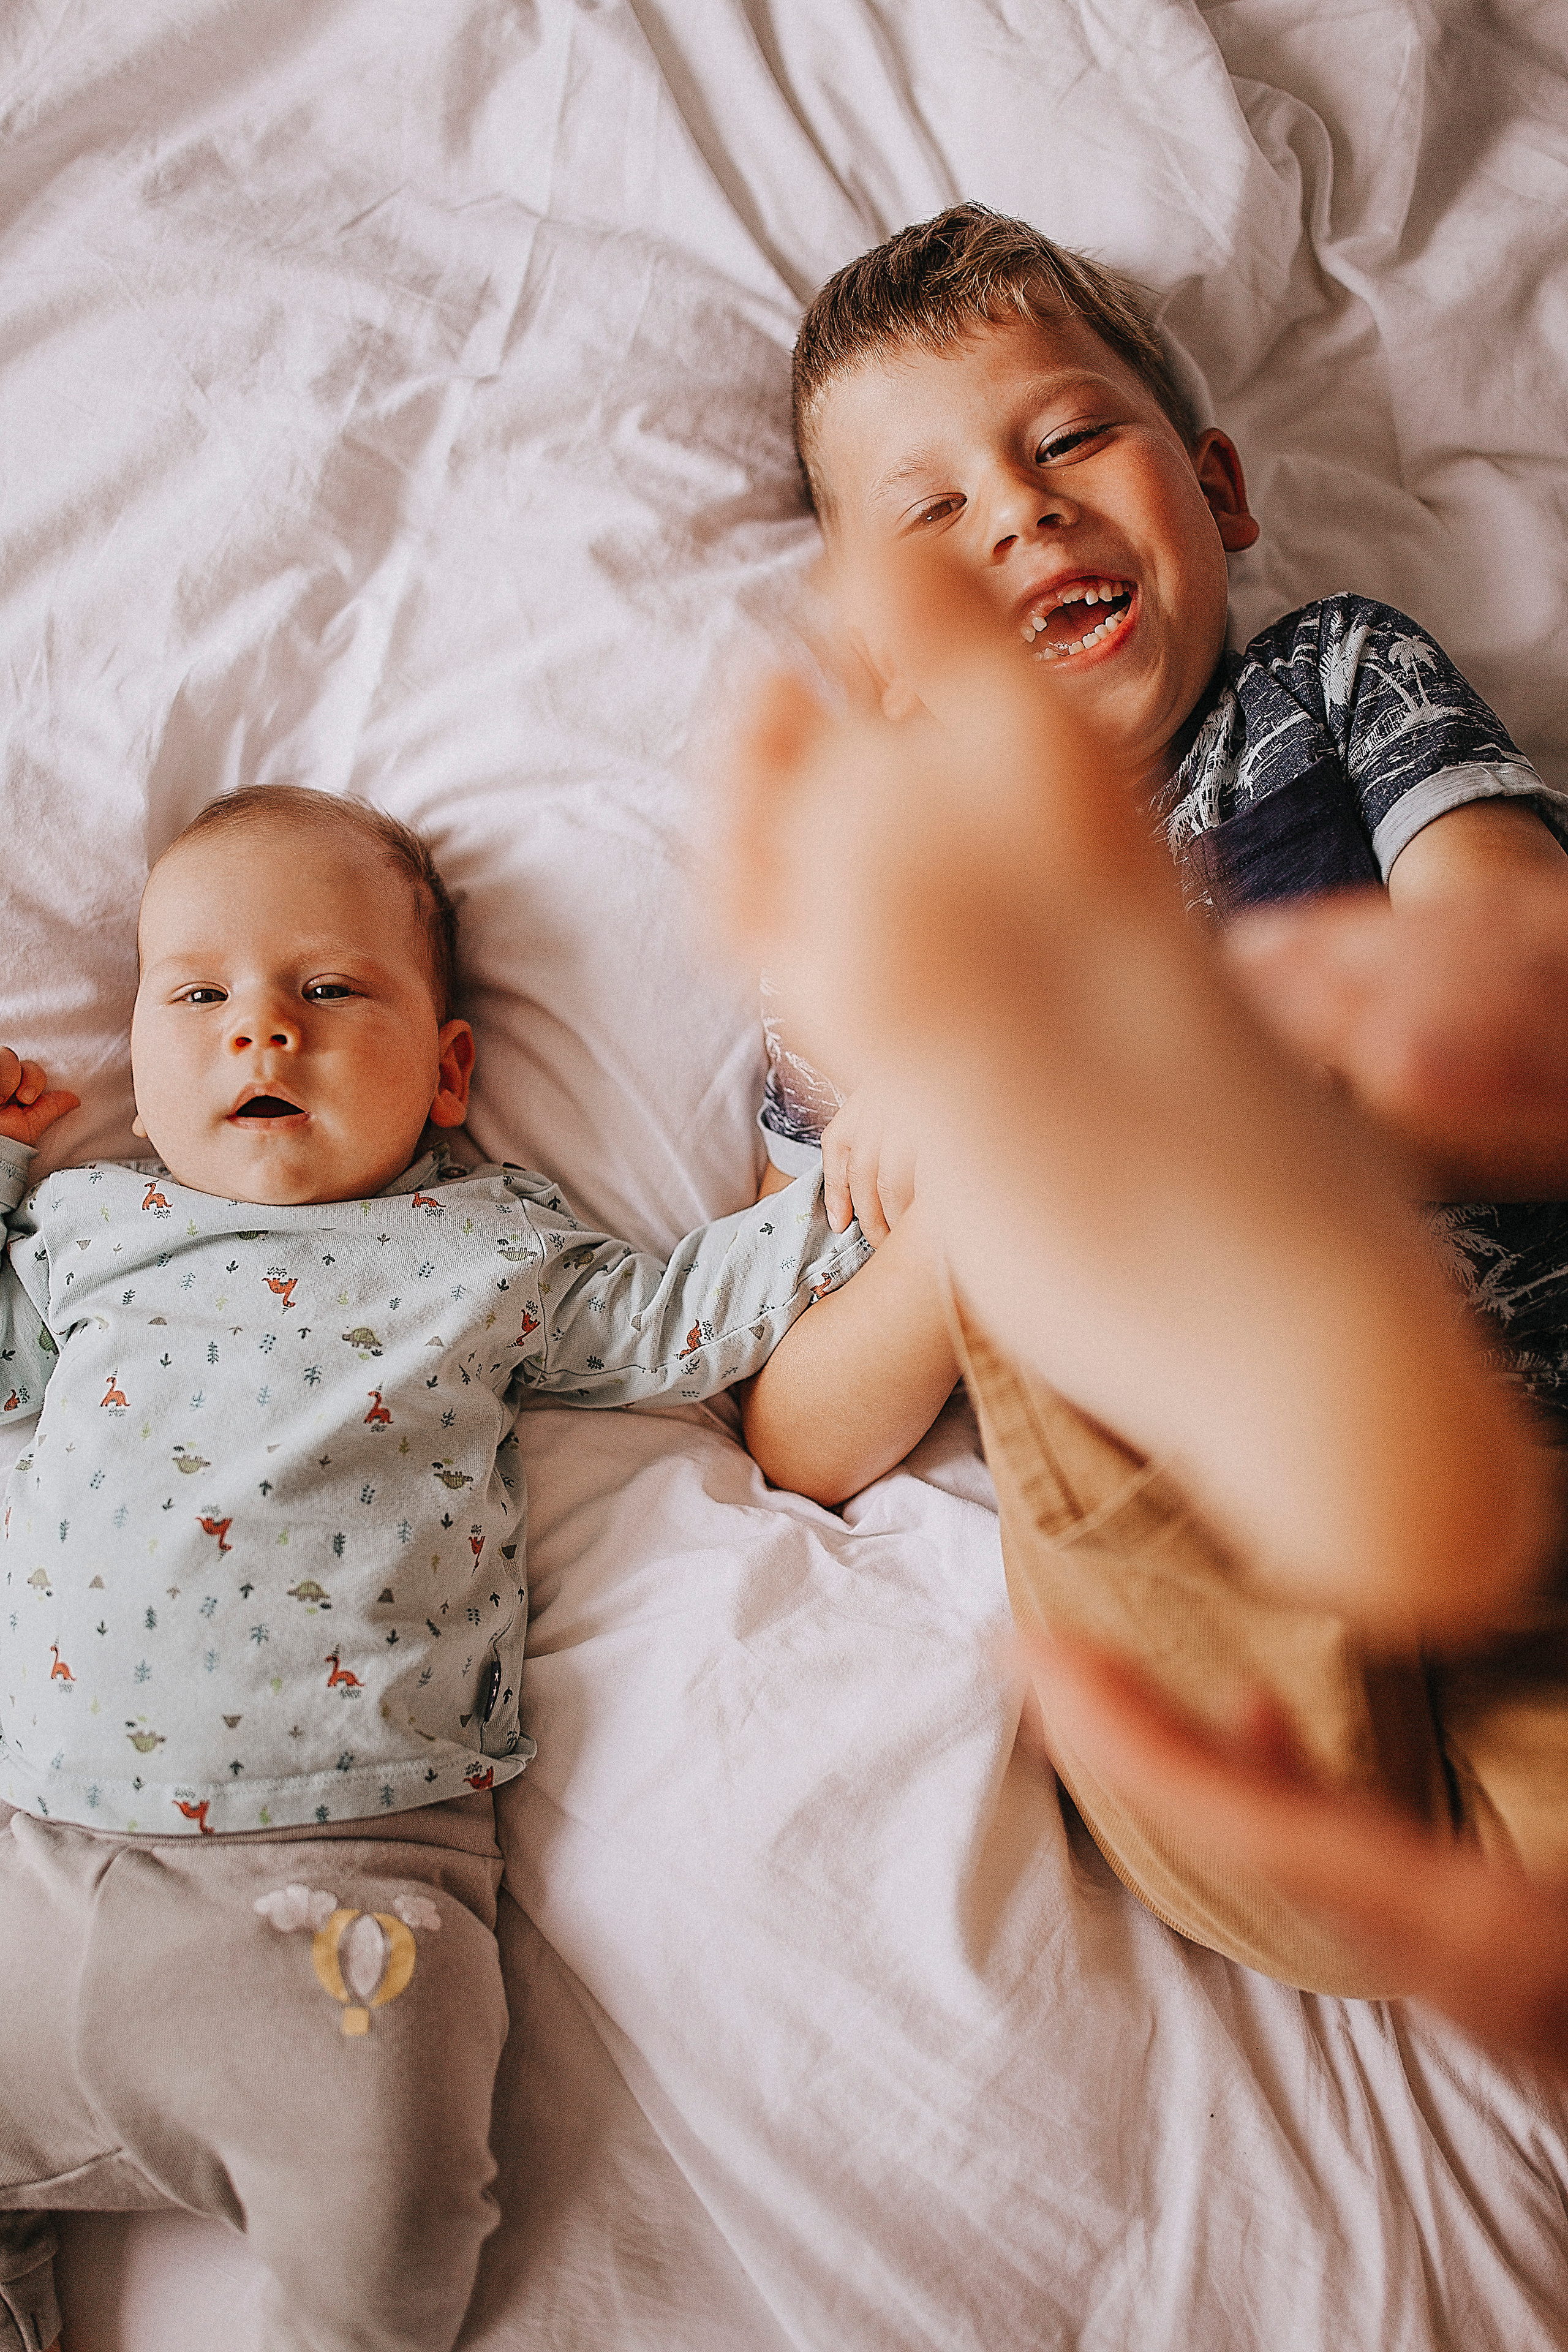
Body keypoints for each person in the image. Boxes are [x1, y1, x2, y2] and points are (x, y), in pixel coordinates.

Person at [731, 201, 1568, 1999]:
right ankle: (1090, 1199)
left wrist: (1203, 1062)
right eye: (934, 516)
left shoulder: (1329, 680)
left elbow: (1521, 981)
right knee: (1023, 1235)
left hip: (1525, 1526)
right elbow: (801, 1432)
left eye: (1067, 442)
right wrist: (982, 1169)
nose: (1021, 514)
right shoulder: (886, 959)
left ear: (1219, 489)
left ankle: (1152, 1185)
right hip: (1229, 1675)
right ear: (884, 657)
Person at [0, 783, 868, 2352]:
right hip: (36, 1868)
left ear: (449, 1067)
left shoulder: (484, 1245)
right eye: (196, 996)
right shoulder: (83, 1229)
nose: (261, 1032)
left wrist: (860, 1193)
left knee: (397, 2246)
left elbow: (681, 1315)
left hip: (345, 1892)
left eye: (327, 990)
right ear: (132, 1048)